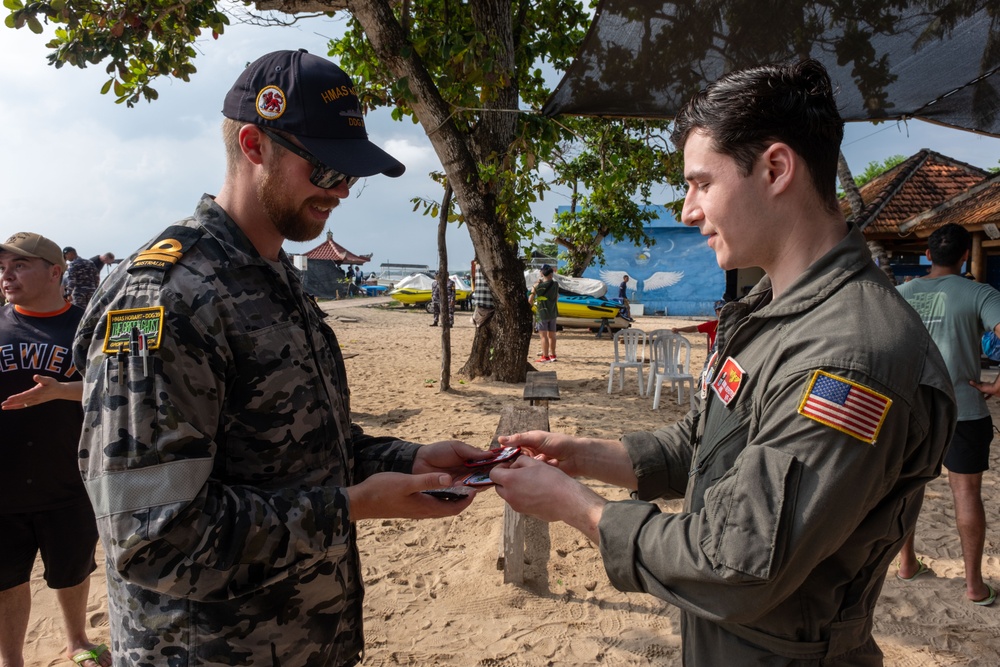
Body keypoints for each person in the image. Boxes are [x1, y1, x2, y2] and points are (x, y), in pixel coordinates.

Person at [491, 58, 955, 665]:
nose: (687, 210)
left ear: (775, 168)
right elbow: (705, 444)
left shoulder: (851, 353)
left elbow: (734, 563)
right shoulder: (774, 309)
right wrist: (582, 455)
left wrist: (578, 507)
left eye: (701, 183)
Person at [72, 50, 485, 666]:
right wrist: (352, 507)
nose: (341, 190)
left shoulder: (277, 278)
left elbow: (296, 450)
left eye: (350, 173)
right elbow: (151, 537)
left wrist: (412, 458)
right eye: (324, 168)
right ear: (253, 145)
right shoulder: (166, 295)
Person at [0, 232, 111, 667]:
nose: (8, 275)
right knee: (7, 577)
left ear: (55, 271)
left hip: (68, 476)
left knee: (72, 569)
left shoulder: (88, 327)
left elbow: (120, 387)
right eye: (4, 268)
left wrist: (62, 390)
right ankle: (11, 658)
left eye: (20, 265)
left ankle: (77, 639)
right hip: (4, 481)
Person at [895, 223, 1000, 606]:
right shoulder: (978, 292)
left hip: (911, 409)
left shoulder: (900, 294)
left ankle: (907, 565)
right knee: (966, 493)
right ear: (964, 257)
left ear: (927, 253)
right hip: (964, 409)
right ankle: (974, 587)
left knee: (908, 488)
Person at [528, 264, 559, 362]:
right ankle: (553, 355)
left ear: (542, 274)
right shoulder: (556, 284)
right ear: (551, 274)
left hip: (542, 313)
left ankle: (545, 357)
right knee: (552, 335)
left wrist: (534, 288)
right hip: (553, 313)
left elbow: (530, 300)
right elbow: (557, 297)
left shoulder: (538, 286)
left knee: (543, 336)